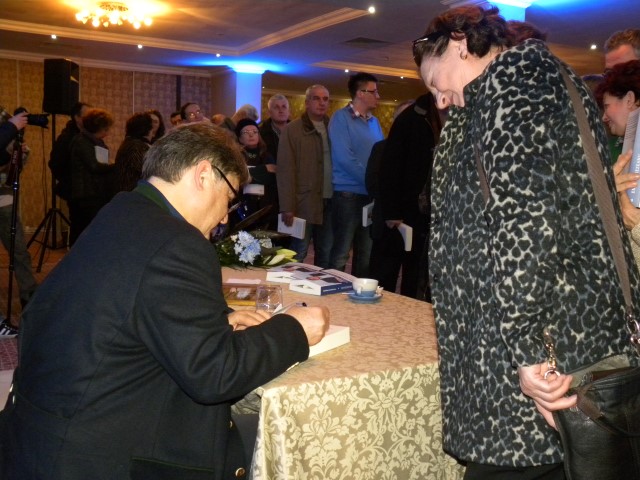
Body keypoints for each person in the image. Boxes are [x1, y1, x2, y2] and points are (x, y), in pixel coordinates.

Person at [0, 123, 329, 479]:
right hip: (97, 455)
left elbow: (124, 309)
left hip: (40, 433)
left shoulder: (122, 210)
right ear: (204, 175)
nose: (224, 217)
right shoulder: (178, 243)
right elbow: (215, 374)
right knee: (282, 444)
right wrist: (294, 328)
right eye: (229, 198)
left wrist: (212, 323)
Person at [413, 5, 640, 478]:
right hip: (555, 330)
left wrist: (531, 354)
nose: (439, 100)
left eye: (435, 83)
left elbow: (525, 227)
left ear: (459, 41)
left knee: (520, 467)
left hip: (537, 345)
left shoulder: (513, 86)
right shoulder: (533, 84)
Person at [367, 94, 441, 300]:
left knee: (414, 274)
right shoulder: (383, 147)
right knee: (385, 274)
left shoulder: (432, 134)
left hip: (419, 218)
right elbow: (378, 180)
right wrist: (392, 212)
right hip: (392, 220)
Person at [328, 72, 383, 277]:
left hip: (369, 195)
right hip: (348, 195)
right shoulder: (341, 118)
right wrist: (372, 181)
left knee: (365, 254)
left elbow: (379, 157)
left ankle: (359, 293)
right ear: (360, 93)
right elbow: (344, 158)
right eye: (373, 91)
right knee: (341, 253)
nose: (378, 96)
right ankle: (332, 291)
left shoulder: (374, 122)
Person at [277, 85, 333, 266]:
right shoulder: (292, 129)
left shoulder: (333, 127)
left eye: (325, 99)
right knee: (298, 253)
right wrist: (287, 206)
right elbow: (285, 170)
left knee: (325, 252)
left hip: (330, 200)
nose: (322, 103)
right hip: (303, 202)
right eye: (316, 98)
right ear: (307, 102)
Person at [595, 60, 640, 267]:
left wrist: (636, 225)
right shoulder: (623, 147)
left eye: (607, 106)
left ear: (629, 99)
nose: (604, 117)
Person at [0, 110, 37, 337]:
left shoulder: (7, 129)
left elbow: (13, 173)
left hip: (4, 199)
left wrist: (18, 156)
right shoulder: (7, 128)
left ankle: (29, 294)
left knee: (19, 250)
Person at [69, 108, 116, 245]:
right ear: (98, 127)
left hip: (93, 192)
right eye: (106, 129)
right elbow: (95, 166)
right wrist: (115, 165)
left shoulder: (92, 141)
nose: (108, 132)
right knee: (84, 231)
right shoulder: (82, 142)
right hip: (87, 195)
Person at [235, 118, 278, 231]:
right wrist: (264, 169)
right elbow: (238, 178)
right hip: (242, 208)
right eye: (246, 132)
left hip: (266, 208)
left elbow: (271, 177)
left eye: (255, 132)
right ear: (239, 137)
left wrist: (250, 174)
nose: (251, 135)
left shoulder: (267, 155)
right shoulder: (236, 156)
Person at [48, 102, 91, 202]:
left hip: (87, 191)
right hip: (74, 192)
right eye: (87, 116)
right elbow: (55, 163)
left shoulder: (89, 136)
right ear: (77, 117)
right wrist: (70, 181)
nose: (90, 119)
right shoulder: (66, 138)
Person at [114, 112, 153, 192]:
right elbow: (148, 170)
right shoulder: (136, 146)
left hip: (126, 192)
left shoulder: (129, 143)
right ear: (146, 130)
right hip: (134, 192)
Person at [259, 94, 290, 160]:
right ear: (269, 112)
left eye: (284, 107)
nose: (281, 110)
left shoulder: (298, 130)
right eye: (276, 107)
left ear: (289, 111)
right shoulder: (260, 133)